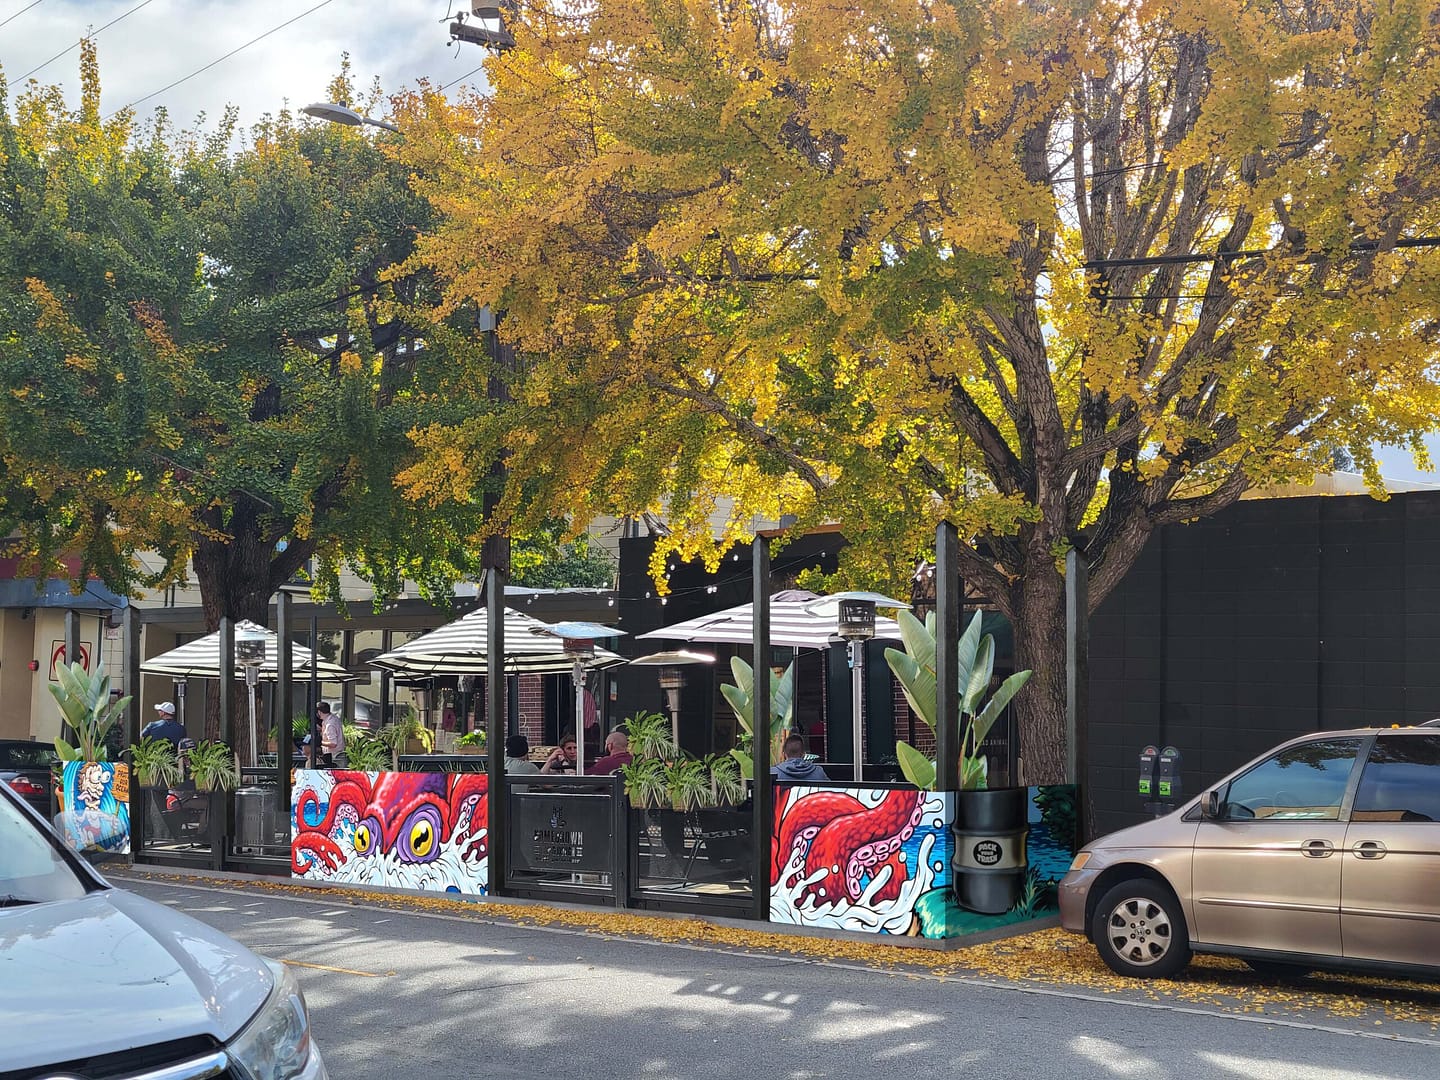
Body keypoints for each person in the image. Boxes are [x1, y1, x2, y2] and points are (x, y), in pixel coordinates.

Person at [317, 702, 347, 768]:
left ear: (319, 712)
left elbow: (333, 743)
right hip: (332, 755)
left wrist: (319, 742)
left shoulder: (330, 725)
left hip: (334, 758)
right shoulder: (332, 718)